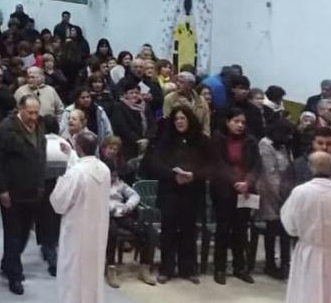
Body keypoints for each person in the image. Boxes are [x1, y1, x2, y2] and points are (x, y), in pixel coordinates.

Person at [282, 152, 331, 303]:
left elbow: (289, 226)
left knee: (306, 293)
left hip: (308, 253)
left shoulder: (299, 193)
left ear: (310, 168)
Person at [144, 106, 210, 284]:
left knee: (189, 231)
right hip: (170, 190)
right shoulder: (165, 140)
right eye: (176, 119)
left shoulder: (201, 140)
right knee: (169, 231)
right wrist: (173, 175)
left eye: (183, 118)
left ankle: (188, 269)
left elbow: (210, 165)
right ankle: (166, 269)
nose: (179, 122)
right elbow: (154, 164)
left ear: (190, 119)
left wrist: (193, 175)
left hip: (192, 191)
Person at [0, 95, 45, 295]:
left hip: (32, 191)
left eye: (36, 112)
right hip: (11, 192)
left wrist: (40, 184)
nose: (34, 117)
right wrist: (1, 190)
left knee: (23, 235)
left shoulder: (39, 126)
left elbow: (41, 155)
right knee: (12, 234)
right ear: (19, 109)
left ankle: (8, 262)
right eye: (30, 112)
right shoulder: (5, 129)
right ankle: (14, 275)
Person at [51, 131, 110, 303]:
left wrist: (60, 180)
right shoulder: (104, 170)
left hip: (77, 233)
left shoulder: (76, 173)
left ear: (79, 147)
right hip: (97, 232)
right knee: (92, 273)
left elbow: (58, 203)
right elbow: (84, 167)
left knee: (73, 275)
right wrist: (71, 155)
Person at [209, 107, 259, 284]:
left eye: (243, 123)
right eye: (236, 121)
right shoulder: (218, 138)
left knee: (241, 230)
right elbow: (218, 164)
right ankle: (220, 268)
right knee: (223, 230)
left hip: (245, 192)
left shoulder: (251, 140)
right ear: (227, 122)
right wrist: (234, 182)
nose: (240, 125)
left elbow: (256, 166)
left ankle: (239, 267)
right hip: (223, 191)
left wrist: (248, 182)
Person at [104, 159, 158, 288]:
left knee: (148, 231)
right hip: (107, 215)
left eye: (115, 175)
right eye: (111, 175)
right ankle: (110, 268)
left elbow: (135, 196)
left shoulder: (120, 184)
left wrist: (129, 206)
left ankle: (145, 267)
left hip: (122, 214)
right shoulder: (98, 185)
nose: (113, 177)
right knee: (112, 232)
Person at [257, 118, 295, 280]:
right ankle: (270, 264)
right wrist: (281, 195)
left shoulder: (284, 146)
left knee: (286, 230)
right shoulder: (265, 144)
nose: (289, 138)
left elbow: (289, 168)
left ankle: (286, 262)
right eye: (287, 134)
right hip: (270, 192)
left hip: (286, 191)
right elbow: (270, 173)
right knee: (272, 227)